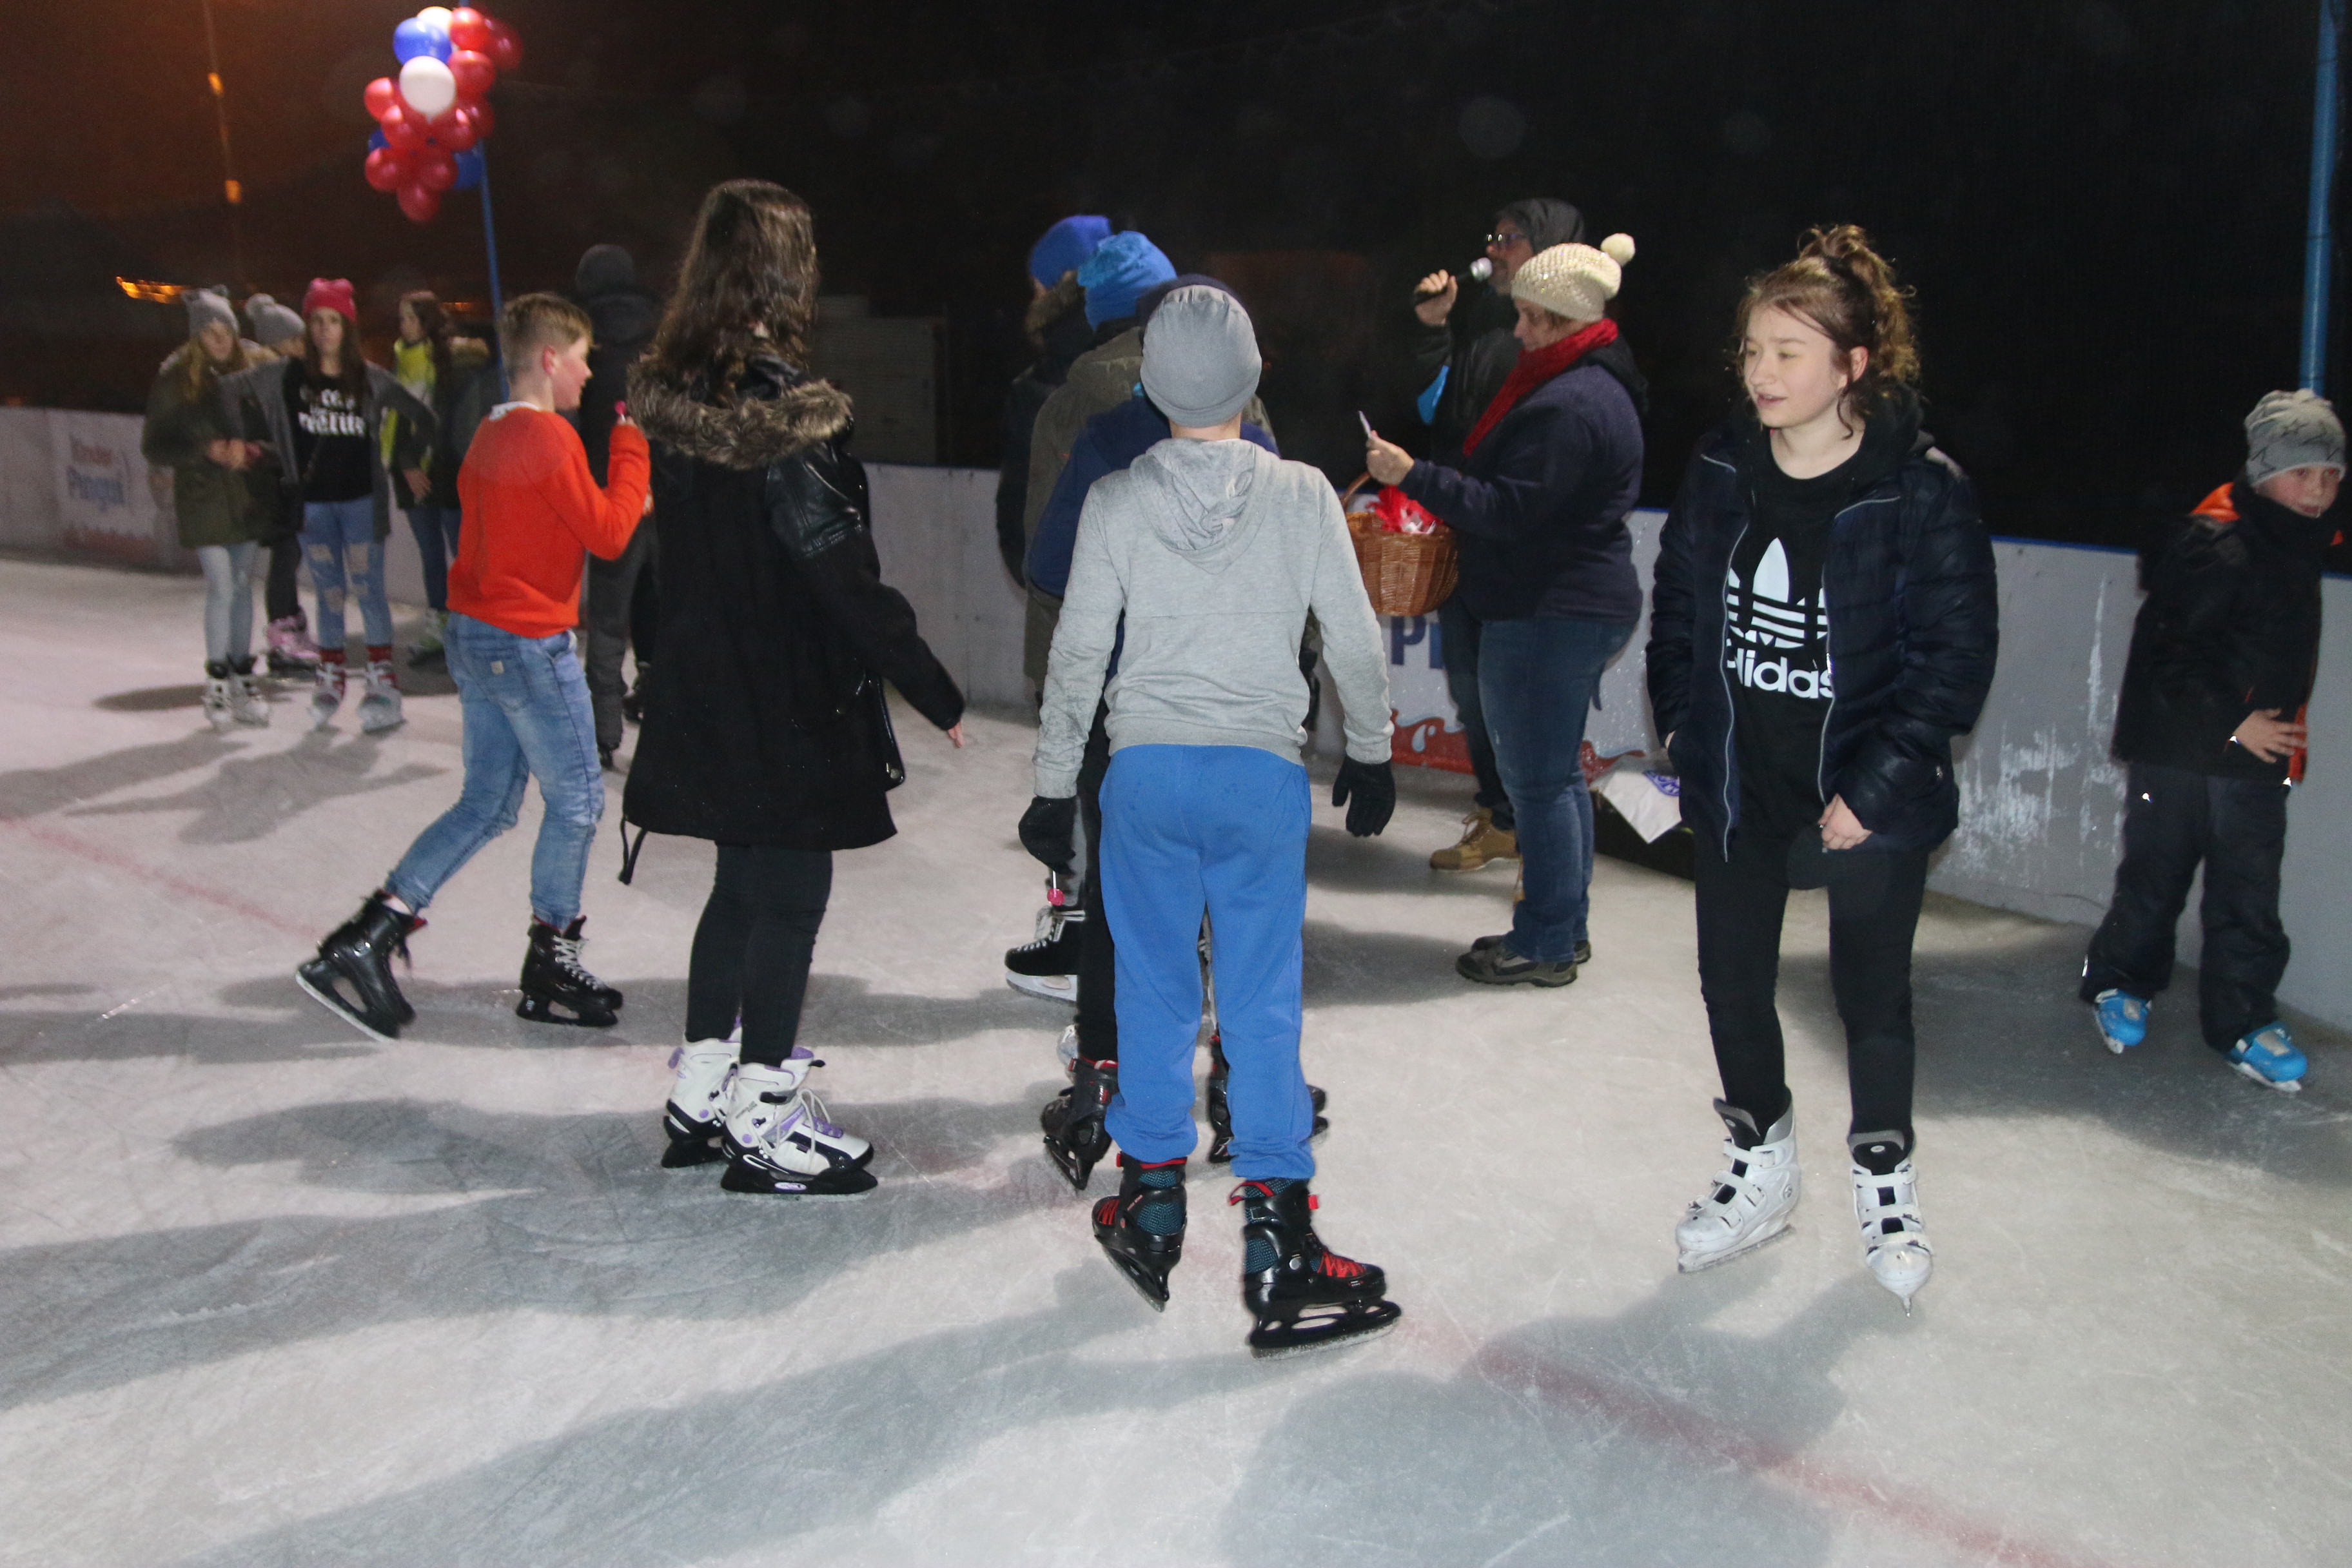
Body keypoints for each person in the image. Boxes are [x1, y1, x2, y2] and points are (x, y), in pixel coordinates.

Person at [1024, 284, 1402, 1356]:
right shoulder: (1302, 495)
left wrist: (1054, 782)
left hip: (1143, 777)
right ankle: (1280, 1234)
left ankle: (1149, 1200)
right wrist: (1371, 749)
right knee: (1259, 999)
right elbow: (1354, 637)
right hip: (1256, 778)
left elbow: (1079, 654)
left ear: (1148, 384)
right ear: (1253, 376)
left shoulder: (1115, 499)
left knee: (1151, 988)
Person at [1644, 226, 1998, 1309]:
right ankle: (1760, 1163)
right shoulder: (1719, 468)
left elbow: (1953, 660)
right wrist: (1682, 732)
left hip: (1868, 792)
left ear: (1852, 365)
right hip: (1742, 780)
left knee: (1869, 999)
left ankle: (1885, 1181)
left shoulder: (1920, 490)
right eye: (1752, 350)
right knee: (1730, 983)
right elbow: (1680, 610)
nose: (1760, 372)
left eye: (1787, 352)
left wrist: (1875, 790)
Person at [625, 181, 967, 1200]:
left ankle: (702, 1086)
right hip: (782, 697)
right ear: (784, 273)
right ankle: (763, 1115)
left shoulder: (681, 403)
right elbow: (837, 569)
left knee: (739, 889)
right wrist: (931, 685)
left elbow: (662, 565)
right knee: (790, 899)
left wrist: (661, 664)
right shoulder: (781, 412)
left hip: (710, 687)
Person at [295, 293, 652, 1041]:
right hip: (525, 643)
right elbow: (611, 534)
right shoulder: (548, 437)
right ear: (549, 358)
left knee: (488, 803)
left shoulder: (491, 431)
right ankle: (552, 959)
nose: (588, 373)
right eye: (581, 358)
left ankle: (368, 936)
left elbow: (548, 526)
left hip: (477, 635)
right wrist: (630, 446)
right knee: (579, 802)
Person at [1019, 275, 1305, 1189]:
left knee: (1123, 903)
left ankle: (1104, 1072)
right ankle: (1240, 1078)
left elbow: (1049, 560)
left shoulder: (1104, 433)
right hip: (1236, 711)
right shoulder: (1256, 442)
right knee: (1235, 907)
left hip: (1129, 709)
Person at [1366, 234, 1647, 986]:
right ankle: (1562, 926)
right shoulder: (1588, 381)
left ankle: (1547, 939)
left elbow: (1508, 511)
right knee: (1555, 778)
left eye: (1529, 316)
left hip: (1548, 609)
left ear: (1564, 319)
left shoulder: (1569, 405)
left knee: (1539, 784)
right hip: (1566, 601)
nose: (1517, 330)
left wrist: (1413, 474)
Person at [2079, 391, 2341, 1092]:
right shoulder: (2217, 543)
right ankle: (2120, 978)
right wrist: (2234, 720)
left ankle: (2243, 1019)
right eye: (2303, 472)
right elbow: (2169, 655)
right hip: (2180, 747)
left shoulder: (2299, 539)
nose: (2319, 488)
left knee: (2249, 891)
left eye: (2331, 474)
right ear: (2265, 472)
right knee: (2157, 873)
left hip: (2255, 755)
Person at [1403, 198, 1590, 874]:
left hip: (1532, 558)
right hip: (1474, 540)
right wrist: (1433, 330)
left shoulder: (1575, 345)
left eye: (1511, 238)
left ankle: (1549, 861)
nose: (1495, 249)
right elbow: (1438, 411)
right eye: (1495, 236)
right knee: (1475, 692)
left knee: (1530, 713)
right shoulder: (1492, 327)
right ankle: (1503, 817)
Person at [221, 279, 435, 732]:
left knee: (369, 592)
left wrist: (408, 459)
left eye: (333, 320)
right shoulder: (285, 376)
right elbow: (226, 390)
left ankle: (382, 685)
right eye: (316, 320)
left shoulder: (370, 378)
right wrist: (239, 440)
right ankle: (331, 680)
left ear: (347, 327)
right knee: (329, 594)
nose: (324, 329)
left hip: (360, 505)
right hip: (314, 508)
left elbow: (423, 417)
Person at [1019, 230, 1179, 691]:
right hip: (1198, 666)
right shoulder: (1229, 401)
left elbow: (1045, 551)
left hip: (1084, 665)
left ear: (1094, 309)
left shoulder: (1065, 407)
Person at [141, 287, 273, 730]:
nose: (220, 340)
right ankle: (216, 681)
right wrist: (204, 450)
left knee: (242, 585)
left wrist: (250, 451)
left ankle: (241, 680)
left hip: (246, 497)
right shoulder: (176, 381)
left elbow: (276, 436)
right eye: (210, 332)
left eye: (226, 331)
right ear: (197, 337)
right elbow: (155, 444)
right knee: (222, 585)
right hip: (202, 497)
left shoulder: (253, 376)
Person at [574, 244, 663, 767]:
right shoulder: (665, 337)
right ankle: (667, 712)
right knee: (664, 606)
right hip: (667, 497)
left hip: (613, 499)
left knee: (608, 621)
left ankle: (603, 731)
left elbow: (573, 425)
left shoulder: (584, 344)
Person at [997, 215, 1111, 584]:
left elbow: (1020, 520)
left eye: (1038, 288)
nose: (1033, 301)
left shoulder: (1039, 390)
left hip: (1069, 592)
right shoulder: (1153, 358)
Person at [384, 291, 493, 669]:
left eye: (412, 318)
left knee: (464, 555)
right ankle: (439, 626)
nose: (405, 326)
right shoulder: (400, 361)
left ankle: (474, 629)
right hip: (412, 475)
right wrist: (405, 463)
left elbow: (446, 422)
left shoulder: (453, 363)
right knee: (431, 555)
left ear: (429, 321)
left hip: (448, 474)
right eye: (402, 318)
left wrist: (417, 459)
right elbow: (396, 417)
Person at [240, 291, 324, 677]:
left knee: (291, 556)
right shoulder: (265, 383)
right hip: (273, 485)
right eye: (295, 339)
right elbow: (267, 436)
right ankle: (282, 635)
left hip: (290, 482)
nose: (303, 345)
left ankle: (291, 625)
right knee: (286, 557)